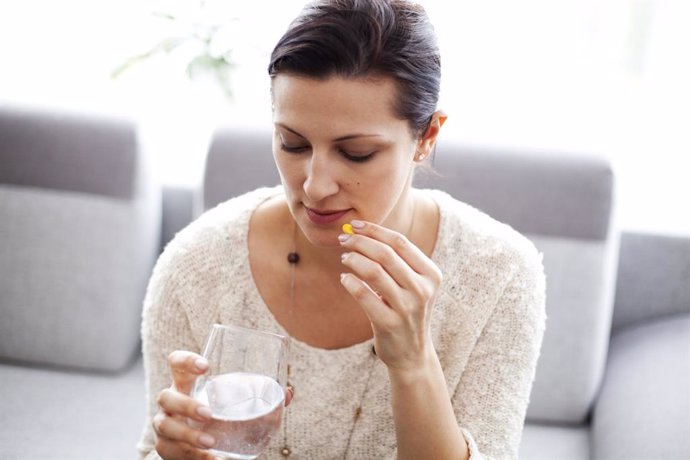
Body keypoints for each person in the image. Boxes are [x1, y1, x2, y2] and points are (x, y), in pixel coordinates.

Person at [137, 0, 546, 459]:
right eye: (292, 143)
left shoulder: (500, 276)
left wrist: (413, 364)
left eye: (356, 153)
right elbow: (157, 447)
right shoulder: (197, 265)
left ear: (427, 137)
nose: (314, 185)